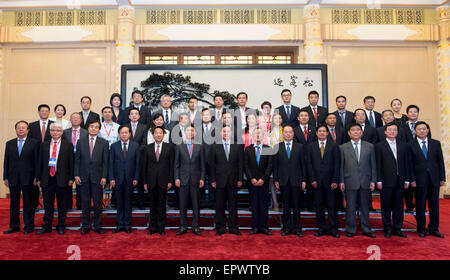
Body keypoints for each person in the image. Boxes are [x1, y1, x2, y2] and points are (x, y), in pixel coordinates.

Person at [339, 123, 377, 238]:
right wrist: (341, 181)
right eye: (353, 130)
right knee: (350, 207)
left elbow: (373, 165)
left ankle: (366, 228)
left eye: (358, 130)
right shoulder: (343, 147)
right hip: (349, 181)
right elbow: (341, 166)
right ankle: (351, 229)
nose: (355, 132)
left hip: (365, 181)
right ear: (349, 133)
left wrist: (373, 180)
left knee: (365, 206)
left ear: (361, 132)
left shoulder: (369, 146)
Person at [36, 123, 74, 235]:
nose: (55, 132)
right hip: (47, 179)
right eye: (53, 130)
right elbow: (40, 163)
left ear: (62, 132)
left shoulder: (68, 145)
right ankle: (47, 225)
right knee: (48, 204)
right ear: (50, 132)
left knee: (62, 204)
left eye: (58, 130)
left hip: (63, 179)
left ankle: (61, 225)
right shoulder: (44, 145)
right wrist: (38, 178)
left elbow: (71, 163)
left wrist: (71, 178)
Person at [409, 121, 446, 238]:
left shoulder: (435, 143)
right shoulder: (410, 145)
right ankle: (421, 228)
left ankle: (434, 228)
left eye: (424, 129)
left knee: (434, 205)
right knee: (420, 205)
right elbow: (409, 164)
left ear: (428, 130)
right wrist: (412, 179)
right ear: (415, 131)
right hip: (419, 180)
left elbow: (440, 162)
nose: (422, 131)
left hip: (434, 179)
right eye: (419, 129)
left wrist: (442, 177)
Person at [3, 121, 40, 235]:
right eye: (18, 128)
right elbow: (6, 161)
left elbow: (37, 162)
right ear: (15, 129)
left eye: (23, 128)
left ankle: (28, 226)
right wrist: (5, 177)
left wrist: (36, 177)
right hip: (13, 178)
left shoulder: (34, 143)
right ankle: (14, 226)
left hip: (29, 178)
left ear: (28, 130)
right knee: (14, 203)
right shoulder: (9, 143)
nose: (21, 130)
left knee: (28, 203)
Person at [375, 122, 410, 238]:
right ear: (385, 131)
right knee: (386, 206)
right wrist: (378, 180)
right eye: (389, 130)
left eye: (394, 130)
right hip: (385, 181)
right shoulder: (379, 146)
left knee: (399, 205)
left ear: (397, 132)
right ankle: (387, 228)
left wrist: (407, 179)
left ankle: (397, 228)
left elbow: (407, 163)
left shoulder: (403, 145)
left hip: (400, 180)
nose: (392, 132)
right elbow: (378, 164)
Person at [74, 121, 109, 235]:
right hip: (83, 177)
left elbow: (105, 162)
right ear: (88, 128)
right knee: (85, 202)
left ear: (99, 129)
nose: (94, 129)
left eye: (96, 127)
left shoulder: (103, 143)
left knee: (98, 202)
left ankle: (98, 225)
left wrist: (104, 176)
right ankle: (85, 225)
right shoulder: (80, 142)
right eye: (92, 127)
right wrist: (76, 174)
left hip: (98, 177)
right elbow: (77, 160)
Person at [306, 125, 341, 238]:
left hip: (331, 182)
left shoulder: (334, 146)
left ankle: (333, 228)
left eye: (324, 131)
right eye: (319, 131)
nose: (321, 133)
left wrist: (335, 179)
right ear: (316, 133)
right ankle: (321, 228)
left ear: (327, 133)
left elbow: (337, 164)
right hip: (316, 182)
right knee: (319, 206)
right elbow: (309, 165)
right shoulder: (311, 147)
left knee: (332, 206)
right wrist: (312, 179)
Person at [273, 125, 307, 237]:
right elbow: (276, 166)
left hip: (296, 180)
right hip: (283, 181)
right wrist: (276, 180)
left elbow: (303, 165)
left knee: (297, 206)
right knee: (286, 206)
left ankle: (297, 228)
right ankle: (287, 227)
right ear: (283, 134)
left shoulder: (300, 147)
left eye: (290, 132)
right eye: (286, 132)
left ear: (293, 134)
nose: (288, 134)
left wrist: (304, 180)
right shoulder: (278, 147)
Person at [210, 125, 244, 236]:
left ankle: (233, 227)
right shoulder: (215, 146)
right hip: (219, 180)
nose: (226, 133)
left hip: (233, 180)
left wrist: (240, 179)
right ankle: (221, 227)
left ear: (231, 133)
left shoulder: (237, 146)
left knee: (233, 205)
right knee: (220, 205)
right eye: (224, 131)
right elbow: (212, 165)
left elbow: (240, 164)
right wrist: (213, 179)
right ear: (220, 134)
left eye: (228, 131)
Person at [142, 126, 174, 235]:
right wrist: (145, 182)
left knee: (161, 205)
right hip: (151, 181)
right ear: (153, 135)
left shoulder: (169, 148)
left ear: (164, 135)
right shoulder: (147, 148)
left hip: (163, 180)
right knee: (152, 205)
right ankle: (153, 226)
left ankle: (161, 227)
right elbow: (144, 166)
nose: (158, 135)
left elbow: (171, 165)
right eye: (156, 133)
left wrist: (170, 180)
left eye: (160, 133)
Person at [174, 125, 205, 236]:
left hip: (196, 180)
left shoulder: (200, 146)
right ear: (184, 133)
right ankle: (183, 226)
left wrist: (202, 178)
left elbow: (202, 165)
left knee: (196, 204)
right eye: (187, 130)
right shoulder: (179, 146)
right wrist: (176, 178)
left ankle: (195, 226)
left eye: (192, 130)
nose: (189, 132)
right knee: (182, 204)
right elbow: (176, 165)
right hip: (183, 179)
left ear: (195, 133)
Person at [109, 126, 140, 234]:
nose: (124, 134)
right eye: (122, 133)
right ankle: (119, 224)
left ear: (130, 134)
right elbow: (111, 163)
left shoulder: (136, 146)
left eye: (126, 132)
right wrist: (111, 178)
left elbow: (137, 164)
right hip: (117, 179)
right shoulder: (114, 146)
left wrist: (136, 177)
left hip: (130, 179)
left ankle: (127, 224)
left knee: (128, 203)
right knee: (119, 203)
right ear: (119, 134)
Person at [244, 127, 273, 236]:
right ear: (252, 136)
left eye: (260, 134)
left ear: (263, 136)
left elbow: (270, 166)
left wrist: (263, 179)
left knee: (264, 204)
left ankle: (264, 227)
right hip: (252, 182)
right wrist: (251, 178)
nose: (257, 136)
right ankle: (255, 227)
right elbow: (245, 166)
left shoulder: (268, 149)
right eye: (255, 134)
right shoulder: (248, 149)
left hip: (263, 182)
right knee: (254, 204)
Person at [63, 112, 88, 210]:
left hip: (81, 160)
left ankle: (80, 204)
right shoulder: (65, 132)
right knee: (67, 182)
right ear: (70, 120)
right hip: (67, 160)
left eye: (78, 118)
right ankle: (68, 204)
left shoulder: (86, 132)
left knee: (80, 183)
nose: (76, 120)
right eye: (73, 118)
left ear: (81, 120)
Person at [200, 108, 215, 209]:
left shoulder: (217, 128)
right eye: (204, 115)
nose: (206, 117)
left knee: (212, 181)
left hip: (213, 159)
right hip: (199, 160)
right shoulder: (196, 128)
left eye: (207, 115)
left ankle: (212, 201)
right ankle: (200, 202)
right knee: (200, 181)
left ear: (211, 117)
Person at [268, 112, 283, 211]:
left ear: (282, 120)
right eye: (275, 118)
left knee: (283, 181)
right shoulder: (269, 133)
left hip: (283, 159)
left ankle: (284, 202)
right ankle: (275, 203)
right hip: (272, 158)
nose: (277, 120)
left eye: (279, 118)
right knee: (272, 182)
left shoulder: (286, 131)